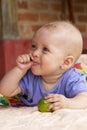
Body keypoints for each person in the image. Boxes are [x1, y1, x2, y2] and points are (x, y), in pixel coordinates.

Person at [0, 21, 87, 111]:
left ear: (66, 62)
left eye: (45, 49)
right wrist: (19, 69)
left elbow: (84, 100)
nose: (34, 53)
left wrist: (67, 103)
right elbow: (5, 91)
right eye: (34, 46)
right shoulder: (30, 76)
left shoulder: (72, 78)